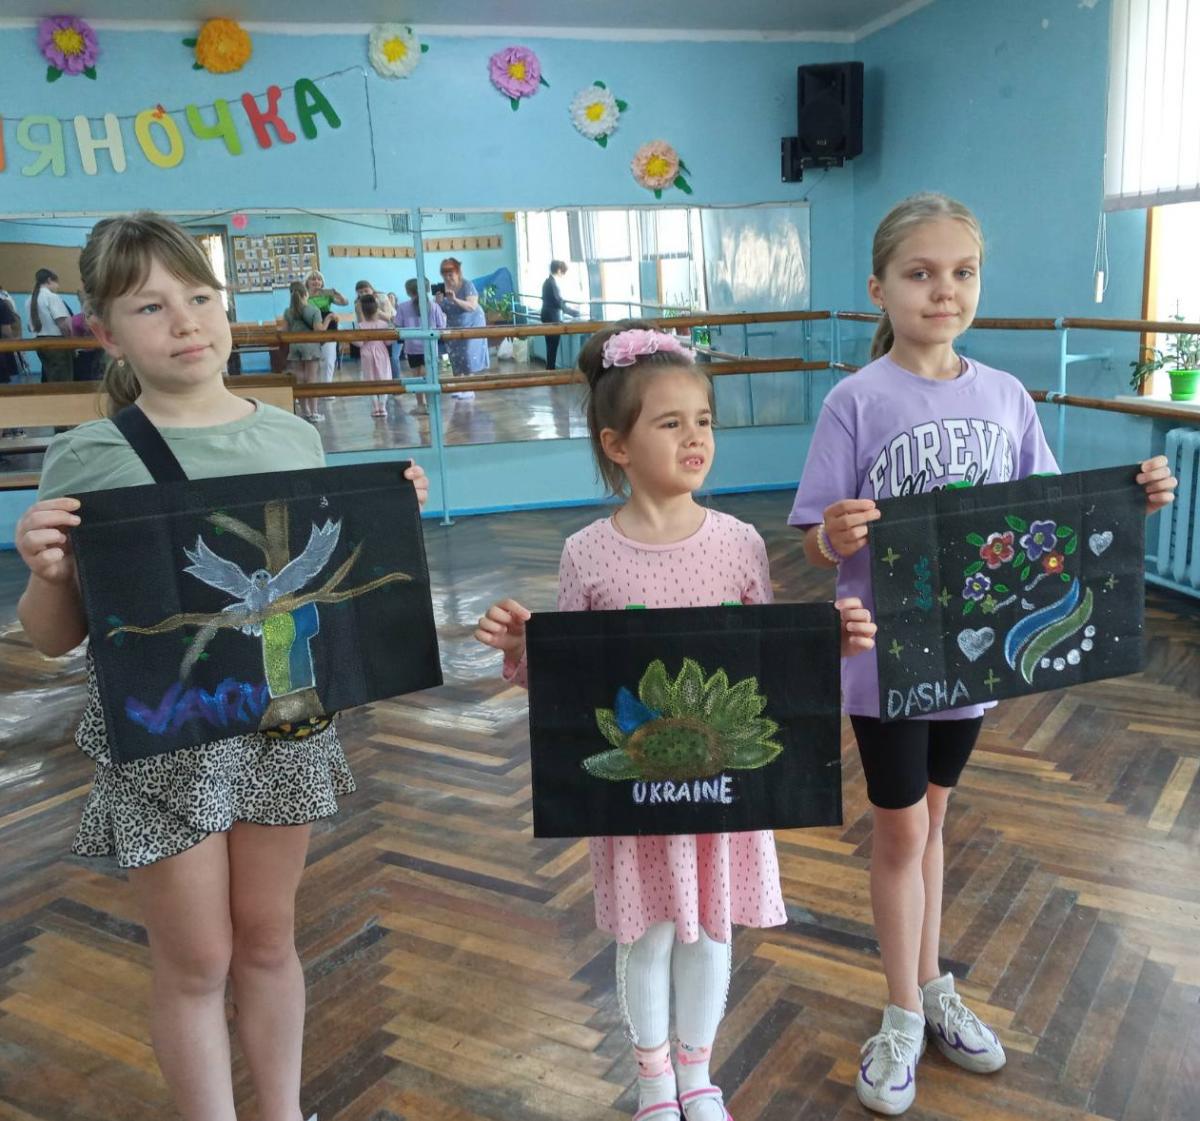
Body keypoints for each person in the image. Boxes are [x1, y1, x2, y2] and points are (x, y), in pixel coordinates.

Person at [13, 211, 429, 1121]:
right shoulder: (89, 456)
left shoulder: (291, 438)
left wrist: (386, 513)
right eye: (150, 306)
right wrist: (45, 570)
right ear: (105, 331)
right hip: (164, 736)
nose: (185, 322)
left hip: (283, 719)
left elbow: (330, 584)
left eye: (200, 297)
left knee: (269, 936)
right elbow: (52, 635)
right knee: (197, 957)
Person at [788, 192, 1178, 1117]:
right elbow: (812, 540)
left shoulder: (1005, 395)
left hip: (977, 658)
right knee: (900, 831)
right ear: (879, 287)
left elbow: (1053, 512)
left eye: (962, 272)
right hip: (884, 658)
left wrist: (1138, 493)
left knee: (934, 818)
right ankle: (899, 1012)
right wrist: (832, 536)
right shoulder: (855, 400)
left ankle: (932, 984)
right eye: (920, 273)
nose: (944, 290)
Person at [475, 321, 876, 1121]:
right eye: (670, 422)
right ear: (617, 445)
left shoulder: (739, 543)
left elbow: (763, 668)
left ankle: (699, 1072)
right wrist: (526, 649)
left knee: (711, 929)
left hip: (726, 791)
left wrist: (822, 643)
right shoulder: (587, 552)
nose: (695, 437)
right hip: (636, 798)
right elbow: (574, 688)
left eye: (704, 420)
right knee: (649, 934)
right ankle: (654, 1081)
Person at [394, 277, 447, 415]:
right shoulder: (434, 306)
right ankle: (430, 405)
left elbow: (398, 326)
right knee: (429, 378)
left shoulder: (402, 307)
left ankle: (420, 405)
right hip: (430, 347)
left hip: (412, 348)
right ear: (427, 289)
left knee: (416, 378)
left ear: (408, 292)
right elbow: (442, 326)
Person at [436, 257, 488, 397]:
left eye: (450, 274)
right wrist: (439, 303)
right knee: (455, 354)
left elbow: (472, 306)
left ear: (458, 273)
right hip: (454, 325)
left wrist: (454, 299)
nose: (447, 278)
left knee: (467, 354)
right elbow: (443, 309)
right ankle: (459, 386)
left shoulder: (467, 285)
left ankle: (469, 389)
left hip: (472, 323)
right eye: (444, 275)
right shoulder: (442, 287)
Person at [284, 280, 330, 422]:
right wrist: (329, 318)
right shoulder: (313, 310)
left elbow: (285, 330)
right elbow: (319, 330)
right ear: (306, 294)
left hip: (294, 346)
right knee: (311, 379)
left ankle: (305, 411)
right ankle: (314, 412)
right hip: (310, 347)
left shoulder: (288, 311)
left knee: (300, 380)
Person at [26, 267, 74, 383]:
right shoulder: (52, 297)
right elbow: (62, 323)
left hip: (39, 342)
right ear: (49, 280)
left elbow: (29, 326)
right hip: (56, 343)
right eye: (56, 283)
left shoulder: (29, 299)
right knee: (63, 378)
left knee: (50, 376)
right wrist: (71, 340)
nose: (58, 286)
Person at [304, 269, 347, 384]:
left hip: (328, 326)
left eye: (319, 279)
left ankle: (327, 386)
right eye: (313, 279)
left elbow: (344, 303)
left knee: (328, 360)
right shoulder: (303, 296)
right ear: (307, 282)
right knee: (312, 362)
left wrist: (338, 294)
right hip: (310, 327)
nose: (316, 281)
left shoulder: (326, 294)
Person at [355, 293, 394, 417]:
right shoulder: (383, 324)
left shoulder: (361, 326)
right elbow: (388, 342)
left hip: (366, 353)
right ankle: (383, 407)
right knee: (384, 378)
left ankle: (375, 407)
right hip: (381, 352)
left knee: (370, 379)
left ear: (362, 311)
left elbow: (359, 343)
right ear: (377, 309)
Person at [540, 259, 581, 371]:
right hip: (552, 318)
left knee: (550, 346)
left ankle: (550, 369)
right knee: (552, 346)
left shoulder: (548, 282)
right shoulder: (552, 283)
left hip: (548, 316)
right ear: (558, 270)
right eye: (563, 272)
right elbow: (558, 302)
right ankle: (551, 370)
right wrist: (573, 312)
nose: (563, 275)